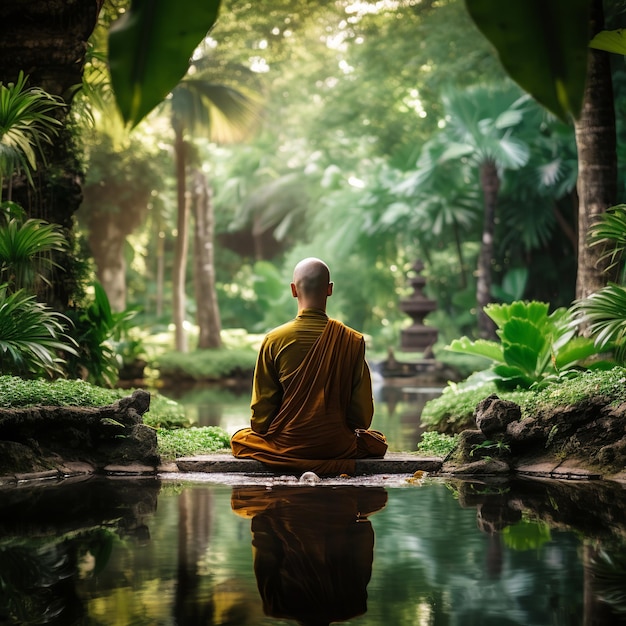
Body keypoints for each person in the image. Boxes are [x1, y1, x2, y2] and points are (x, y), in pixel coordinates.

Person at [230, 257, 387, 475]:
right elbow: (361, 418)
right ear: (329, 289)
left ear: (294, 290)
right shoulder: (352, 340)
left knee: (240, 438)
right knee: (375, 441)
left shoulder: (273, 340)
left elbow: (261, 420)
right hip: (336, 446)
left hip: (286, 444)